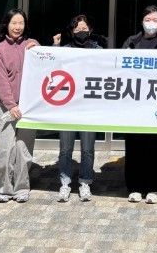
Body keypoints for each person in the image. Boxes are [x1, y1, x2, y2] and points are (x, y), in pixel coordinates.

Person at [122, 5, 157, 204]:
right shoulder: (132, 41)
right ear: (142, 21)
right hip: (136, 102)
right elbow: (121, 65)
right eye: (148, 19)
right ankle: (135, 186)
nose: (151, 23)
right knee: (135, 145)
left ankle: (155, 187)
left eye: (155, 19)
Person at [53, 14, 102, 202]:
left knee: (88, 149)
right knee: (65, 149)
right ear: (71, 31)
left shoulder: (98, 51)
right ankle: (65, 182)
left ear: (90, 30)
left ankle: (85, 182)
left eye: (84, 28)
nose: (81, 31)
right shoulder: (65, 51)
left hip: (89, 107)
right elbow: (50, 66)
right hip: (67, 107)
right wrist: (55, 46)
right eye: (77, 29)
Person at [0, 8, 38, 203]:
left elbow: (45, 65)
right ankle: (4, 187)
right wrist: (11, 105)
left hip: (27, 109)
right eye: (14, 23)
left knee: (23, 150)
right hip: (5, 108)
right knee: (5, 151)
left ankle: (21, 187)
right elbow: (1, 81)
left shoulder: (31, 46)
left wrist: (41, 47)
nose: (18, 27)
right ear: (6, 25)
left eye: (21, 23)